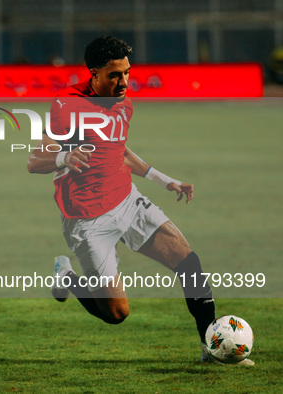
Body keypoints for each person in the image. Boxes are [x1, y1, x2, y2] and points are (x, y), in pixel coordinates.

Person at [27, 36, 252, 366]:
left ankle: (210, 349)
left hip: (126, 200)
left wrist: (165, 180)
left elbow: (120, 152)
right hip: (87, 219)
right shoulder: (67, 105)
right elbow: (34, 161)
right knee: (117, 314)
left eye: (127, 73)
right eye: (114, 75)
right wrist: (64, 157)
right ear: (94, 74)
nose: (123, 82)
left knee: (189, 263)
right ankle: (68, 278)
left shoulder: (123, 104)